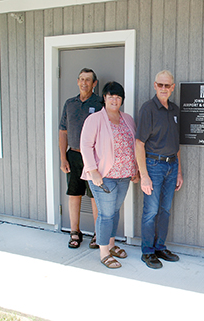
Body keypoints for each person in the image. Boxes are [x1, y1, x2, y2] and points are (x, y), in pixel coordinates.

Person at [80, 81, 139, 269]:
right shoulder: (95, 119)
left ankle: (111, 245)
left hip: (123, 176)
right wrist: (93, 171)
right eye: (111, 96)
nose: (115, 99)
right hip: (103, 177)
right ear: (104, 98)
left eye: (118, 96)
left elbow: (134, 146)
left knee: (114, 212)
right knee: (105, 215)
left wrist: (135, 169)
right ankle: (104, 252)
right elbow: (85, 146)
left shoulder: (127, 119)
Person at [135, 70, 183, 269]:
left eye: (167, 85)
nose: (164, 89)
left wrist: (179, 171)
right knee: (151, 211)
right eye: (160, 85)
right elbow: (139, 144)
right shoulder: (148, 109)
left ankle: (160, 247)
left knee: (165, 210)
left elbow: (176, 143)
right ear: (155, 86)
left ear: (172, 87)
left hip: (172, 165)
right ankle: (147, 252)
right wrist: (144, 175)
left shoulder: (175, 110)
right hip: (153, 166)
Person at [59, 68, 102, 249]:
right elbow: (63, 131)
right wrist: (63, 158)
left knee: (95, 196)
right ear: (78, 81)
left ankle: (97, 234)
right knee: (74, 194)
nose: (84, 83)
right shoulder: (70, 103)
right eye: (81, 79)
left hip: (93, 157)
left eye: (88, 80)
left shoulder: (100, 103)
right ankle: (74, 232)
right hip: (74, 155)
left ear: (94, 84)